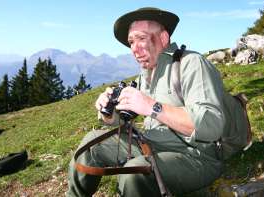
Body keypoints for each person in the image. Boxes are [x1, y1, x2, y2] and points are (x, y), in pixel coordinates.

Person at [66, 7, 250, 196]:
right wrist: (110, 112)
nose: (134, 49)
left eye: (141, 39)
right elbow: (124, 119)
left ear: (163, 38)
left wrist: (150, 106)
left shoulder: (191, 64)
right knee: (90, 145)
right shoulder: (145, 75)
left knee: (135, 173)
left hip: (199, 156)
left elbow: (211, 125)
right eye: (131, 42)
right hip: (154, 144)